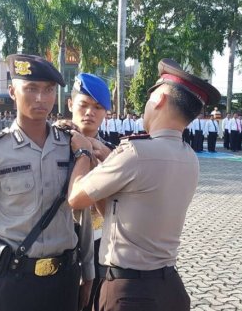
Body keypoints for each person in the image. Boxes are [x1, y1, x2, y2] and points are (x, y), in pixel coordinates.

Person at [67, 58, 221, 311]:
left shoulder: (135, 152)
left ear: (159, 100)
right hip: (169, 288)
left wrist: (84, 153)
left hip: (129, 292)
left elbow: (75, 197)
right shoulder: (189, 156)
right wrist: (108, 157)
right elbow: (115, 211)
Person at [0, 54, 94, 311]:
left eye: (48, 90)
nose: (40, 98)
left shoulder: (71, 145)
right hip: (15, 283)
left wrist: (88, 273)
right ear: (12, 91)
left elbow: (84, 216)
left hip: (64, 279)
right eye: (31, 89)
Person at [59, 73, 115, 311]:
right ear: (70, 104)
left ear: (105, 113)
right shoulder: (53, 145)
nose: (90, 112)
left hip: (100, 243)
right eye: (83, 105)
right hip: (63, 243)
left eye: (98, 107)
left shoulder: (114, 154)